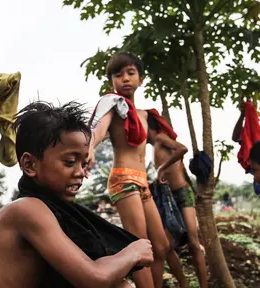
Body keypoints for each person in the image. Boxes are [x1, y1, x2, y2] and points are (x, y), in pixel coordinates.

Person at [0, 101, 154, 288]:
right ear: (30, 165)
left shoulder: (53, 211)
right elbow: (94, 277)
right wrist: (133, 252)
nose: (80, 172)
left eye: (83, 163)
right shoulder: (27, 209)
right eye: (70, 162)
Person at [88, 52, 170, 288]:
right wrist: (90, 146)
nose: (124, 79)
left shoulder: (143, 116)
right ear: (111, 81)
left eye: (131, 73)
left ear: (141, 79)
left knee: (161, 245)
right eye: (118, 74)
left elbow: (165, 143)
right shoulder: (114, 106)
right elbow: (99, 129)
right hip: (123, 179)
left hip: (143, 181)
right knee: (140, 246)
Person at [147, 112, 208, 288]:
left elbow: (182, 148)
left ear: (148, 127)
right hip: (167, 197)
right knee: (165, 246)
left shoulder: (160, 138)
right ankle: (183, 283)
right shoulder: (154, 146)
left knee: (194, 244)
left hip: (182, 193)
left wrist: (161, 169)